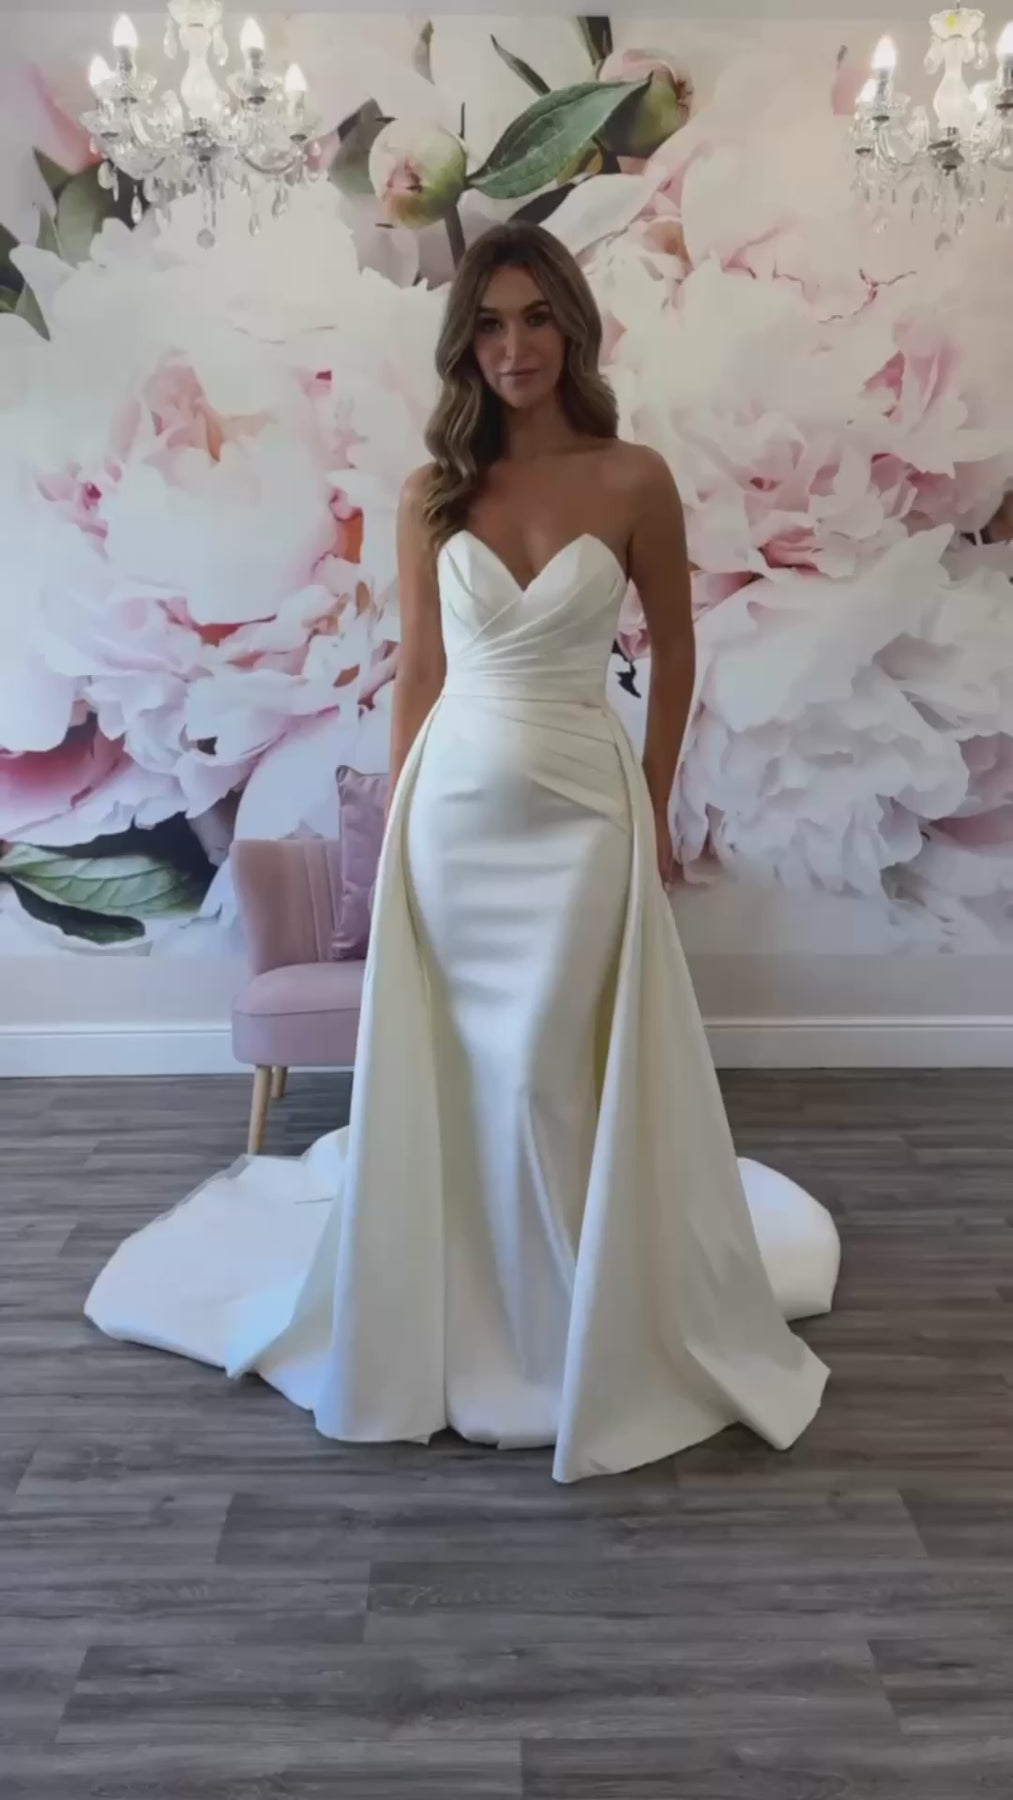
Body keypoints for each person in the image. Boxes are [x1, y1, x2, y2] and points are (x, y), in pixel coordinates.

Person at [86, 222, 839, 1483]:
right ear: (463, 344)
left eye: (534, 318)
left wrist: (654, 803)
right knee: (473, 1074)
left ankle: (574, 1319)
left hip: (583, 811)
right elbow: (420, 673)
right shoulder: (432, 492)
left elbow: (674, 652)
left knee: (549, 1070)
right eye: (487, 324)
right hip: (454, 817)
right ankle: (472, 1311)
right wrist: (392, 824)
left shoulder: (633, 478)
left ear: (571, 328)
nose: (512, 346)